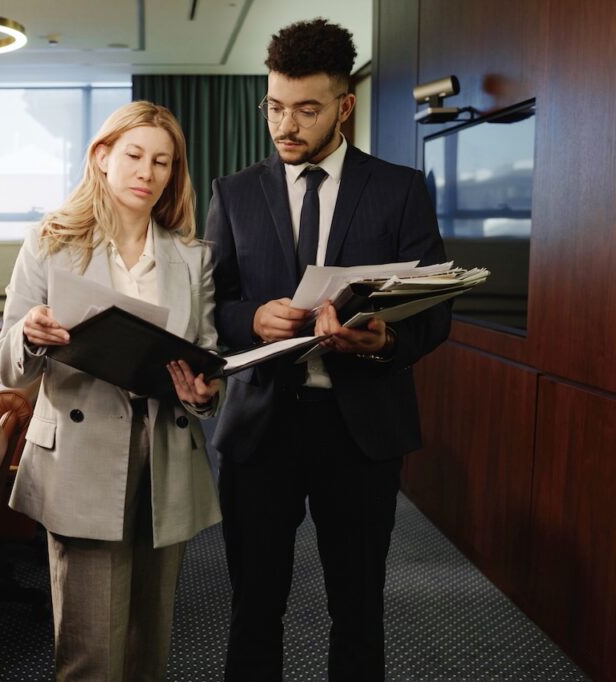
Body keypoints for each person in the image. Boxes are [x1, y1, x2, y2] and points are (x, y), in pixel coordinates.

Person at [205, 18, 451, 681]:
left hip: (361, 428)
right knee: (254, 606)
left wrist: (386, 337)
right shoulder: (232, 194)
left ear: (344, 107)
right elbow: (212, 306)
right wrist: (252, 318)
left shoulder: (399, 189)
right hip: (260, 429)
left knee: (358, 605)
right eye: (275, 106)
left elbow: (435, 308)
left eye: (306, 109)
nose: (285, 124)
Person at [0, 101, 223, 681]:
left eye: (164, 162)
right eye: (135, 155)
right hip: (80, 456)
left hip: (165, 454)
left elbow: (208, 360)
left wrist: (202, 393)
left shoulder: (192, 258)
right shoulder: (48, 243)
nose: (149, 171)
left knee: (151, 643)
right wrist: (30, 333)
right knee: (90, 652)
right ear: (101, 157)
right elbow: (7, 370)